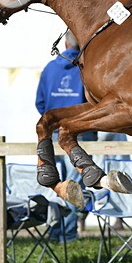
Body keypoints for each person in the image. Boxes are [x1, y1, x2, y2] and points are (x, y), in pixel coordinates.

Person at [35, 33, 92, 242]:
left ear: (65, 43)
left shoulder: (50, 68)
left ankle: (56, 229)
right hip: (79, 136)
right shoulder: (85, 67)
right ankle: (67, 232)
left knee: (54, 182)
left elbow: (40, 103)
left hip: (51, 134)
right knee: (74, 185)